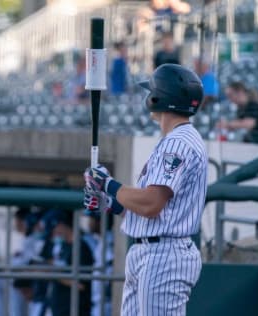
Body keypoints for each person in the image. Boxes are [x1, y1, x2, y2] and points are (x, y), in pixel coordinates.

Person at [84, 63, 207, 315]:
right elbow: (147, 210)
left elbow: (151, 204)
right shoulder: (174, 140)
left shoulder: (178, 143)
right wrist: (108, 200)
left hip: (164, 255)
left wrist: (108, 184)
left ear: (160, 98)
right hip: (150, 251)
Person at [47, 211, 94, 316]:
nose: (55, 231)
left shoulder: (81, 248)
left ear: (64, 225)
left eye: (57, 226)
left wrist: (53, 274)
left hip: (75, 309)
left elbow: (81, 285)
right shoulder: (64, 246)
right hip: (60, 308)